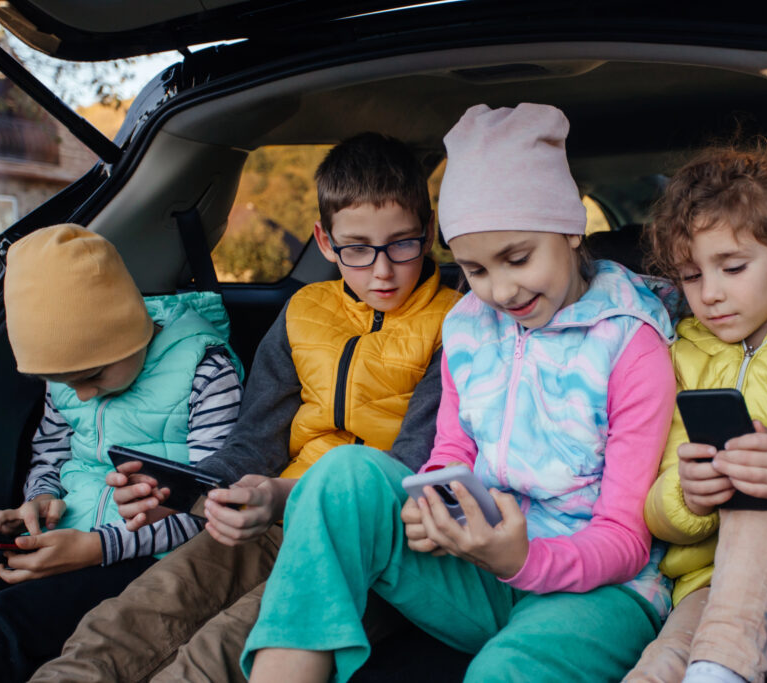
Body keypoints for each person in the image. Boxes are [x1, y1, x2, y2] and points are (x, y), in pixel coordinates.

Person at [241, 102, 679, 683]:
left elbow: (626, 537)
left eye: (517, 258)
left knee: (504, 669)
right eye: (473, 269)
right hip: (481, 568)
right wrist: (435, 509)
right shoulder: (468, 326)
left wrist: (523, 559)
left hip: (604, 592)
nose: (499, 291)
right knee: (343, 474)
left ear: (572, 228)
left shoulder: (631, 343)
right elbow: (449, 455)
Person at [29, 133, 461, 683]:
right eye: (357, 248)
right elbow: (254, 440)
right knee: (132, 618)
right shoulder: (304, 311)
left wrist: (277, 498)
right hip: (274, 516)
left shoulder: (455, 325)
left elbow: (407, 471)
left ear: (430, 233)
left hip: (369, 543)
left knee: (219, 651)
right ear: (324, 242)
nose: (382, 271)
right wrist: (183, 488)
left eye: (402, 244)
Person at [624, 146, 767, 683]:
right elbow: (655, 508)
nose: (710, 295)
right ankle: (713, 666)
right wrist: (685, 495)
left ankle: (724, 665)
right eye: (689, 276)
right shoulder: (681, 354)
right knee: (662, 661)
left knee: (761, 485)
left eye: (732, 267)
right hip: (707, 585)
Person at [0, 224, 244, 682]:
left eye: (93, 375)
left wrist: (97, 549)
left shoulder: (205, 371)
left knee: (11, 623)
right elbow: (51, 451)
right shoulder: (69, 378)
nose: (83, 396)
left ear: (128, 329)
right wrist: (40, 499)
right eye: (67, 384)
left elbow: (210, 507)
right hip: (67, 535)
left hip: (150, 557)